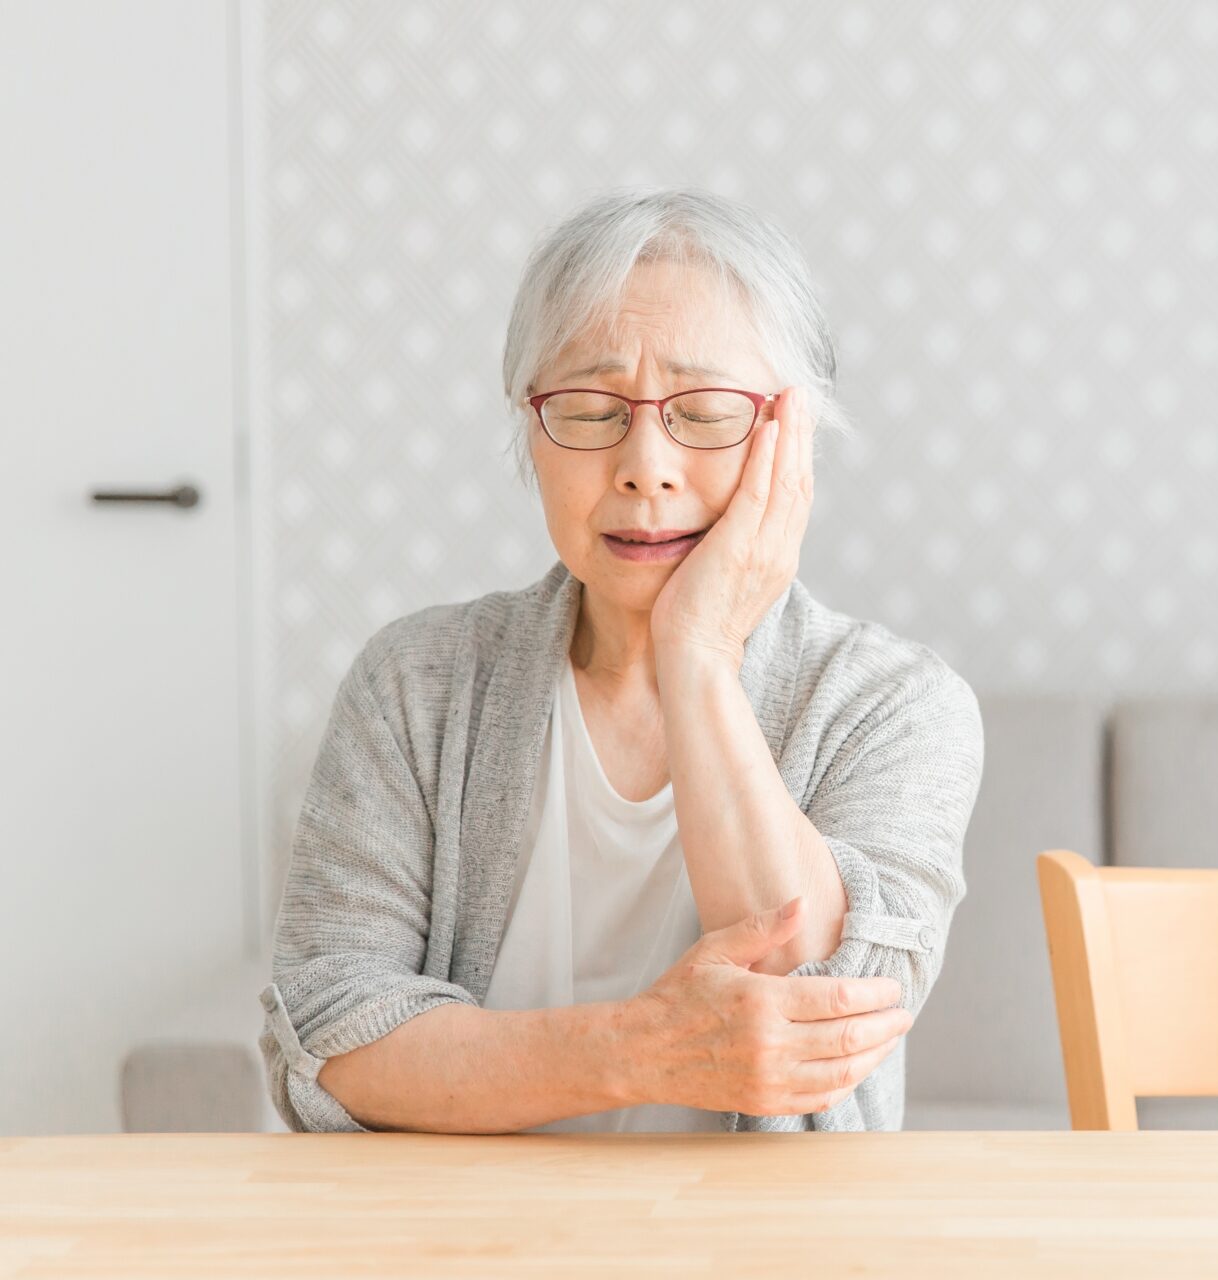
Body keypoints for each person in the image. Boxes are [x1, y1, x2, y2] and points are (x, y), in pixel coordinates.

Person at [257, 186, 985, 1134]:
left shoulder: (895, 704)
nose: (646, 462)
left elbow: (826, 1009)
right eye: (593, 406)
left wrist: (700, 652)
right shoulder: (414, 683)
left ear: (791, 436)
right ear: (531, 427)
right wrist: (638, 1049)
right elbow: (329, 1032)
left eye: (707, 409)